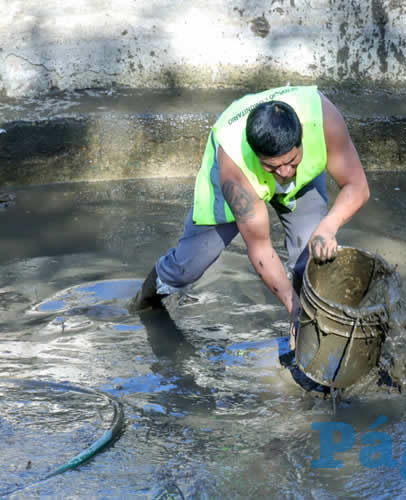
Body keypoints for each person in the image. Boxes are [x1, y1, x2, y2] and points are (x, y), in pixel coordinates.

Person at [129, 85, 370, 350]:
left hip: (303, 180)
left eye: (292, 160)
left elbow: (357, 186)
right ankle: (146, 299)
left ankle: (310, 343)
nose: (284, 173)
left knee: (309, 261)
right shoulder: (234, 163)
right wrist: (292, 306)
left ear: (301, 138)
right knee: (189, 266)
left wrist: (328, 227)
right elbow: (260, 248)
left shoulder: (323, 119)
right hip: (240, 181)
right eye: (272, 167)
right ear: (256, 156)